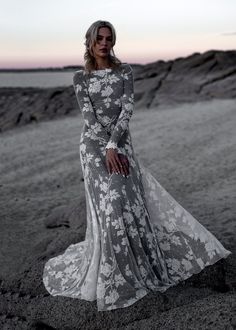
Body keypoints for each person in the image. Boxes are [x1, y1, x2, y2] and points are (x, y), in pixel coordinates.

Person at [42, 20, 232, 312]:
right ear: (90, 43)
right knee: (106, 209)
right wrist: (104, 147)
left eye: (109, 38)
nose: (104, 43)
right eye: (99, 39)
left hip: (120, 145)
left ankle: (135, 269)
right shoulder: (80, 78)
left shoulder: (124, 72)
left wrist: (113, 145)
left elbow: (127, 109)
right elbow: (88, 116)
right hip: (92, 149)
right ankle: (108, 270)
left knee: (121, 202)